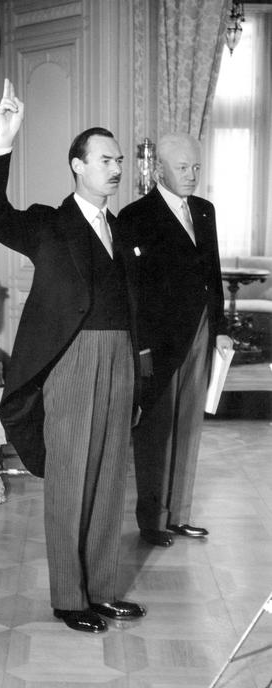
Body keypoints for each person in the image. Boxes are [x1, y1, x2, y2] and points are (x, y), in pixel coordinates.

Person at [0, 79, 146, 634]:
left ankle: (101, 589)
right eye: (104, 159)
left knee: (109, 476)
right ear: (77, 165)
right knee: (72, 478)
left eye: (119, 160)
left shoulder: (122, 231)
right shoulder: (49, 224)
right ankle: (69, 598)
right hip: (70, 361)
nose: (115, 168)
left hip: (118, 359)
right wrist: (3, 141)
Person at [117, 133, 233, 548]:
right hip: (160, 341)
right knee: (156, 431)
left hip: (201, 332)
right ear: (160, 170)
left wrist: (219, 327)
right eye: (183, 168)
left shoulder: (204, 211)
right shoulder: (135, 216)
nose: (191, 175)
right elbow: (135, 292)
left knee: (189, 426)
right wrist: (142, 348)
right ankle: (153, 521)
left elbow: (212, 273)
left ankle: (179, 515)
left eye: (196, 168)